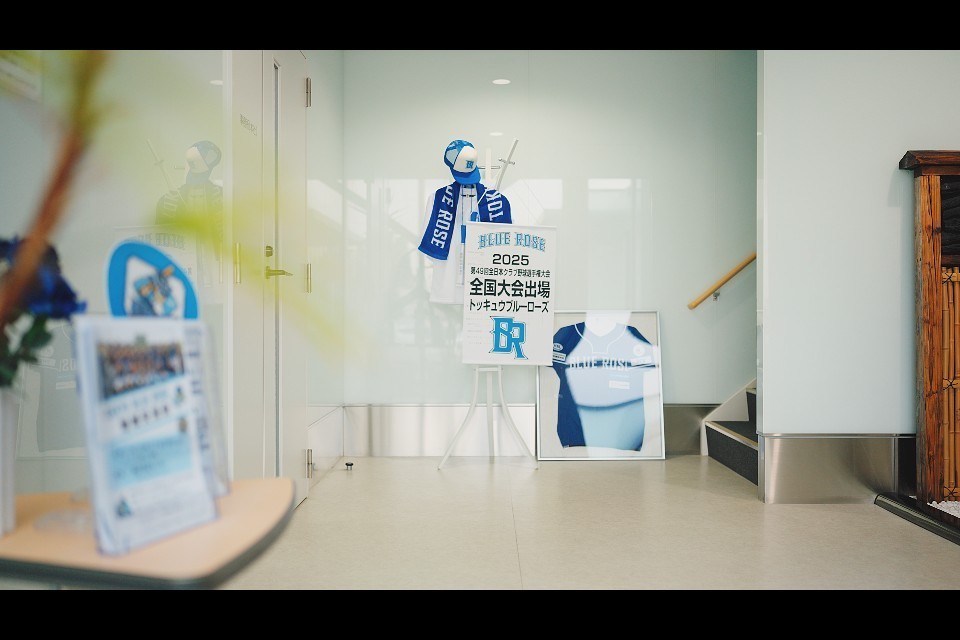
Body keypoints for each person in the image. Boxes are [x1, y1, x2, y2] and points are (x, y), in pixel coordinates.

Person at [418, 139, 513, 304]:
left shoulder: (497, 202)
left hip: (484, 287)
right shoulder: (437, 199)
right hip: (450, 288)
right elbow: (430, 249)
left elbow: (507, 250)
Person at [155, 140, 223, 286]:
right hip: (185, 256)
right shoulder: (170, 200)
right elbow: (162, 233)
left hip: (211, 256)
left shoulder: (220, 195)